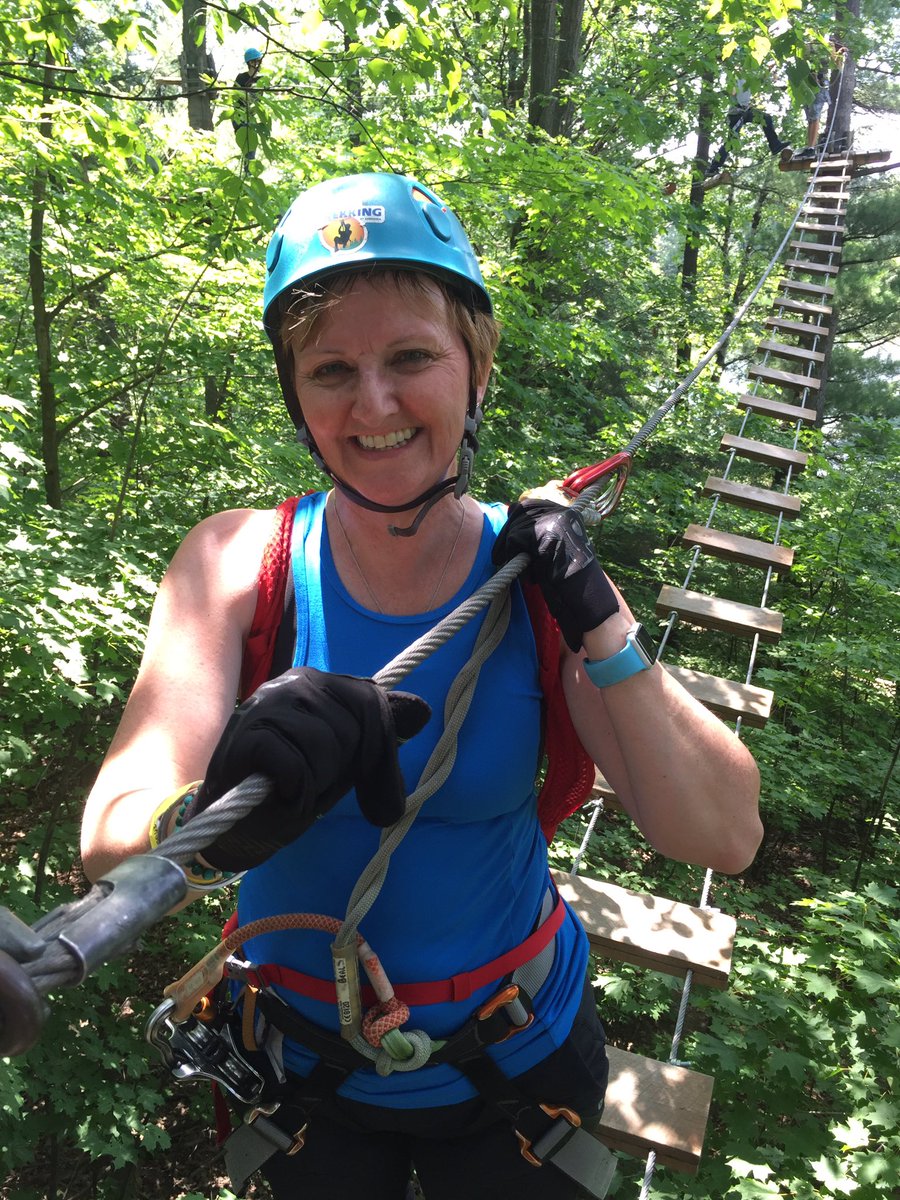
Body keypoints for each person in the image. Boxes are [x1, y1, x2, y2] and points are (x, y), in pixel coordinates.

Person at [80, 172, 763, 1199]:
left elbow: (723, 836)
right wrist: (217, 807)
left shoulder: (533, 587)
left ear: (477, 368)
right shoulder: (235, 566)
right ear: (295, 395)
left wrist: (601, 619)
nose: (375, 404)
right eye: (330, 370)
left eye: (412, 358)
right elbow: (110, 830)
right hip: (304, 1075)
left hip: (517, 1064)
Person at [706, 77, 791, 177]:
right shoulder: (735, 77)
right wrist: (732, 86)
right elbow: (732, 92)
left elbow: (761, 81)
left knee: (766, 118)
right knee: (731, 142)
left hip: (746, 111)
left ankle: (775, 145)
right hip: (736, 114)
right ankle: (713, 168)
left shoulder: (750, 76)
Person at [793, 38, 847, 162]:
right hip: (807, 82)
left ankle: (811, 147)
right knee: (810, 116)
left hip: (820, 83)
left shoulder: (828, 46)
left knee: (815, 114)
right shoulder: (806, 45)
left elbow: (838, 66)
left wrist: (839, 54)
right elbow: (800, 61)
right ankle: (809, 146)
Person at [232, 46, 266, 159]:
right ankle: (247, 172)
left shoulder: (262, 80)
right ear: (251, 62)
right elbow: (235, 97)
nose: (259, 64)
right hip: (240, 117)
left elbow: (259, 102)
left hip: (251, 117)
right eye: (257, 61)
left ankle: (248, 172)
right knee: (248, 149)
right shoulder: (241, 78)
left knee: (251, 150)